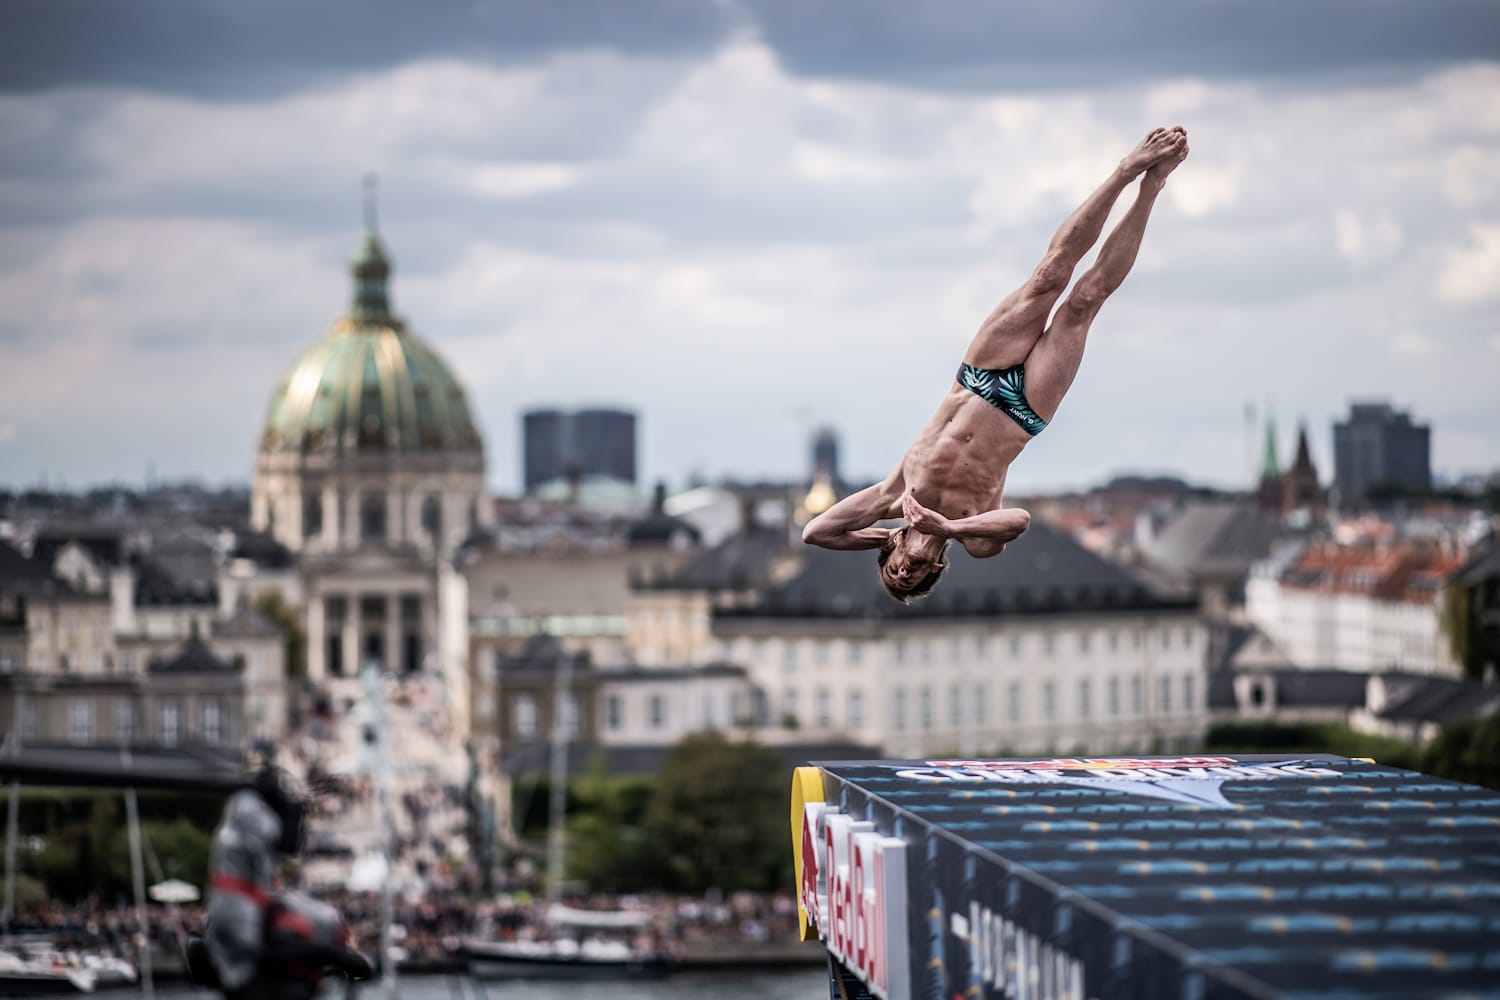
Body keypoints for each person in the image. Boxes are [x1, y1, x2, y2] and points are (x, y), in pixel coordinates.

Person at [802, 127, 1189, 603]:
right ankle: (1154, 187)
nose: (903, 576)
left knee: (1049, 276)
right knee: (1085, 300)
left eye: (893, 575)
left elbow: (817, 532)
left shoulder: (894, 496)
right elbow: (1019, 521)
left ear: (891, 552)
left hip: (976, 378)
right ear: (936, 568)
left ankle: (1125, 172)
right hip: (1023, 409)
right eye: (914, 580)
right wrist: (945, 525)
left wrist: (882, 534)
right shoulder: (976, 539)